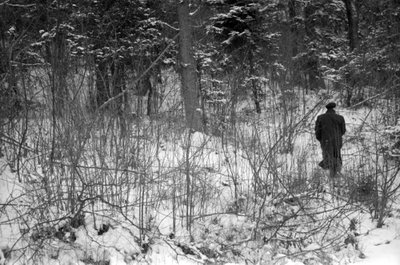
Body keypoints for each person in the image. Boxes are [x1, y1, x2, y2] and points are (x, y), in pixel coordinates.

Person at [315, 102, 346, 178]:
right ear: (334, 109)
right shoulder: (340, 118)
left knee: (327, 156)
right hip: (337, 141)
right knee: (337, 156)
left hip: (325, 141)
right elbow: (343, 130)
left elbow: (317, 132)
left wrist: (321, 139)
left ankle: (328, 175)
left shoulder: (320, 117)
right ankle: (335, 173)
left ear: (327, 109)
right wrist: (338, 137)